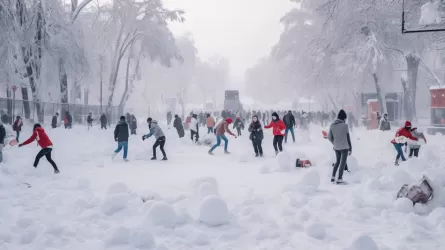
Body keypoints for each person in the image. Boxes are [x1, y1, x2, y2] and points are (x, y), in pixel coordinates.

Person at [328, 109, 352, 184]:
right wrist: (350, 148)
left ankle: (333, 177)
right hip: (344, 147)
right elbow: (348, 138)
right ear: (344, 118)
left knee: (337, 162)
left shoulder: (332, 126)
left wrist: (334, 143)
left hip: (336, 147)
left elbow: (329, 137)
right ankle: (339, 178)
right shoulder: (345, 126)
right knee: (342, 163)